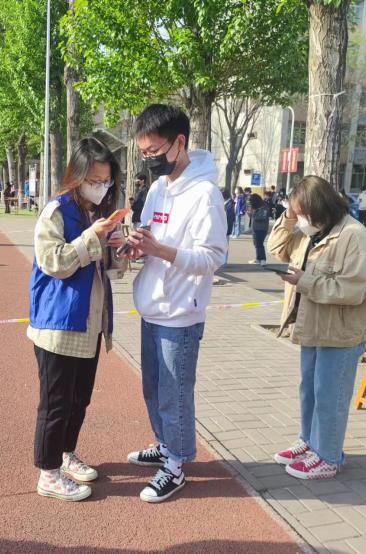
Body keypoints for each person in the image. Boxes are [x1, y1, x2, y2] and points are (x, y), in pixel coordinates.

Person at [123, 104, 227, 502]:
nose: (149, 159)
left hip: (181, 313)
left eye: (154, 151)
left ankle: (177, 463)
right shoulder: (158, 189)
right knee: (153, 388)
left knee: (175, 393)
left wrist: (161, 251)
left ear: (179, 142)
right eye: (143, 152)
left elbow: (213, 257)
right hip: (152, 306)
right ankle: (165, 445)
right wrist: (136, 246)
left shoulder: (205, 194)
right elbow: (151, 235)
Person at [29, 137, 126, 502]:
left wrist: (118, 250)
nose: (101, 188)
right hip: (58, 324)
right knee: (55, 403)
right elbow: (52, 261)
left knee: (78, 400)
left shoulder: (97, 213)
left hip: (90, 324)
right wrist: (91, 238)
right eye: (94, 180)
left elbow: (108, 270)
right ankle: (48, 472)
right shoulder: (57, 211)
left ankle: (65, 454)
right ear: (78, 176)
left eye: (106, 181)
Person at [268, 175, 366, 480]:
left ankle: (328, 455)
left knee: (331, 396)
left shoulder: (354, 237)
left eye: (302, 212)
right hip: (312, 327)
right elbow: (276, 247)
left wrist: (304, 281)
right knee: (310, 391)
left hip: (340, 332)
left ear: (320, 208)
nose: (300, 219)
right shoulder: (312, 233)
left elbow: (351, 290)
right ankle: (309, 441)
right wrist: (289, 217)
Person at [248, 193, 271, 265]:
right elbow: (253, 217)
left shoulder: (264, 207)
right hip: (256, 228)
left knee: (259, 244)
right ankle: (258, 259)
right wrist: (250, 213)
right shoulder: (257, 207)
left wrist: (253, 214)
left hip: (261, 228)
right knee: (257, 244)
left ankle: (263, 259)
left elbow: (262, 217)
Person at [222, 188, 235, 265]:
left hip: (226, 228)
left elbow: (229, 219)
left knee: (225, 245)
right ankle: (222, 261)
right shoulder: (226, 203)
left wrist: (226, 229)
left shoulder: (229, 204)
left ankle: (224, 261)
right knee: (222, 245)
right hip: (223, 228)